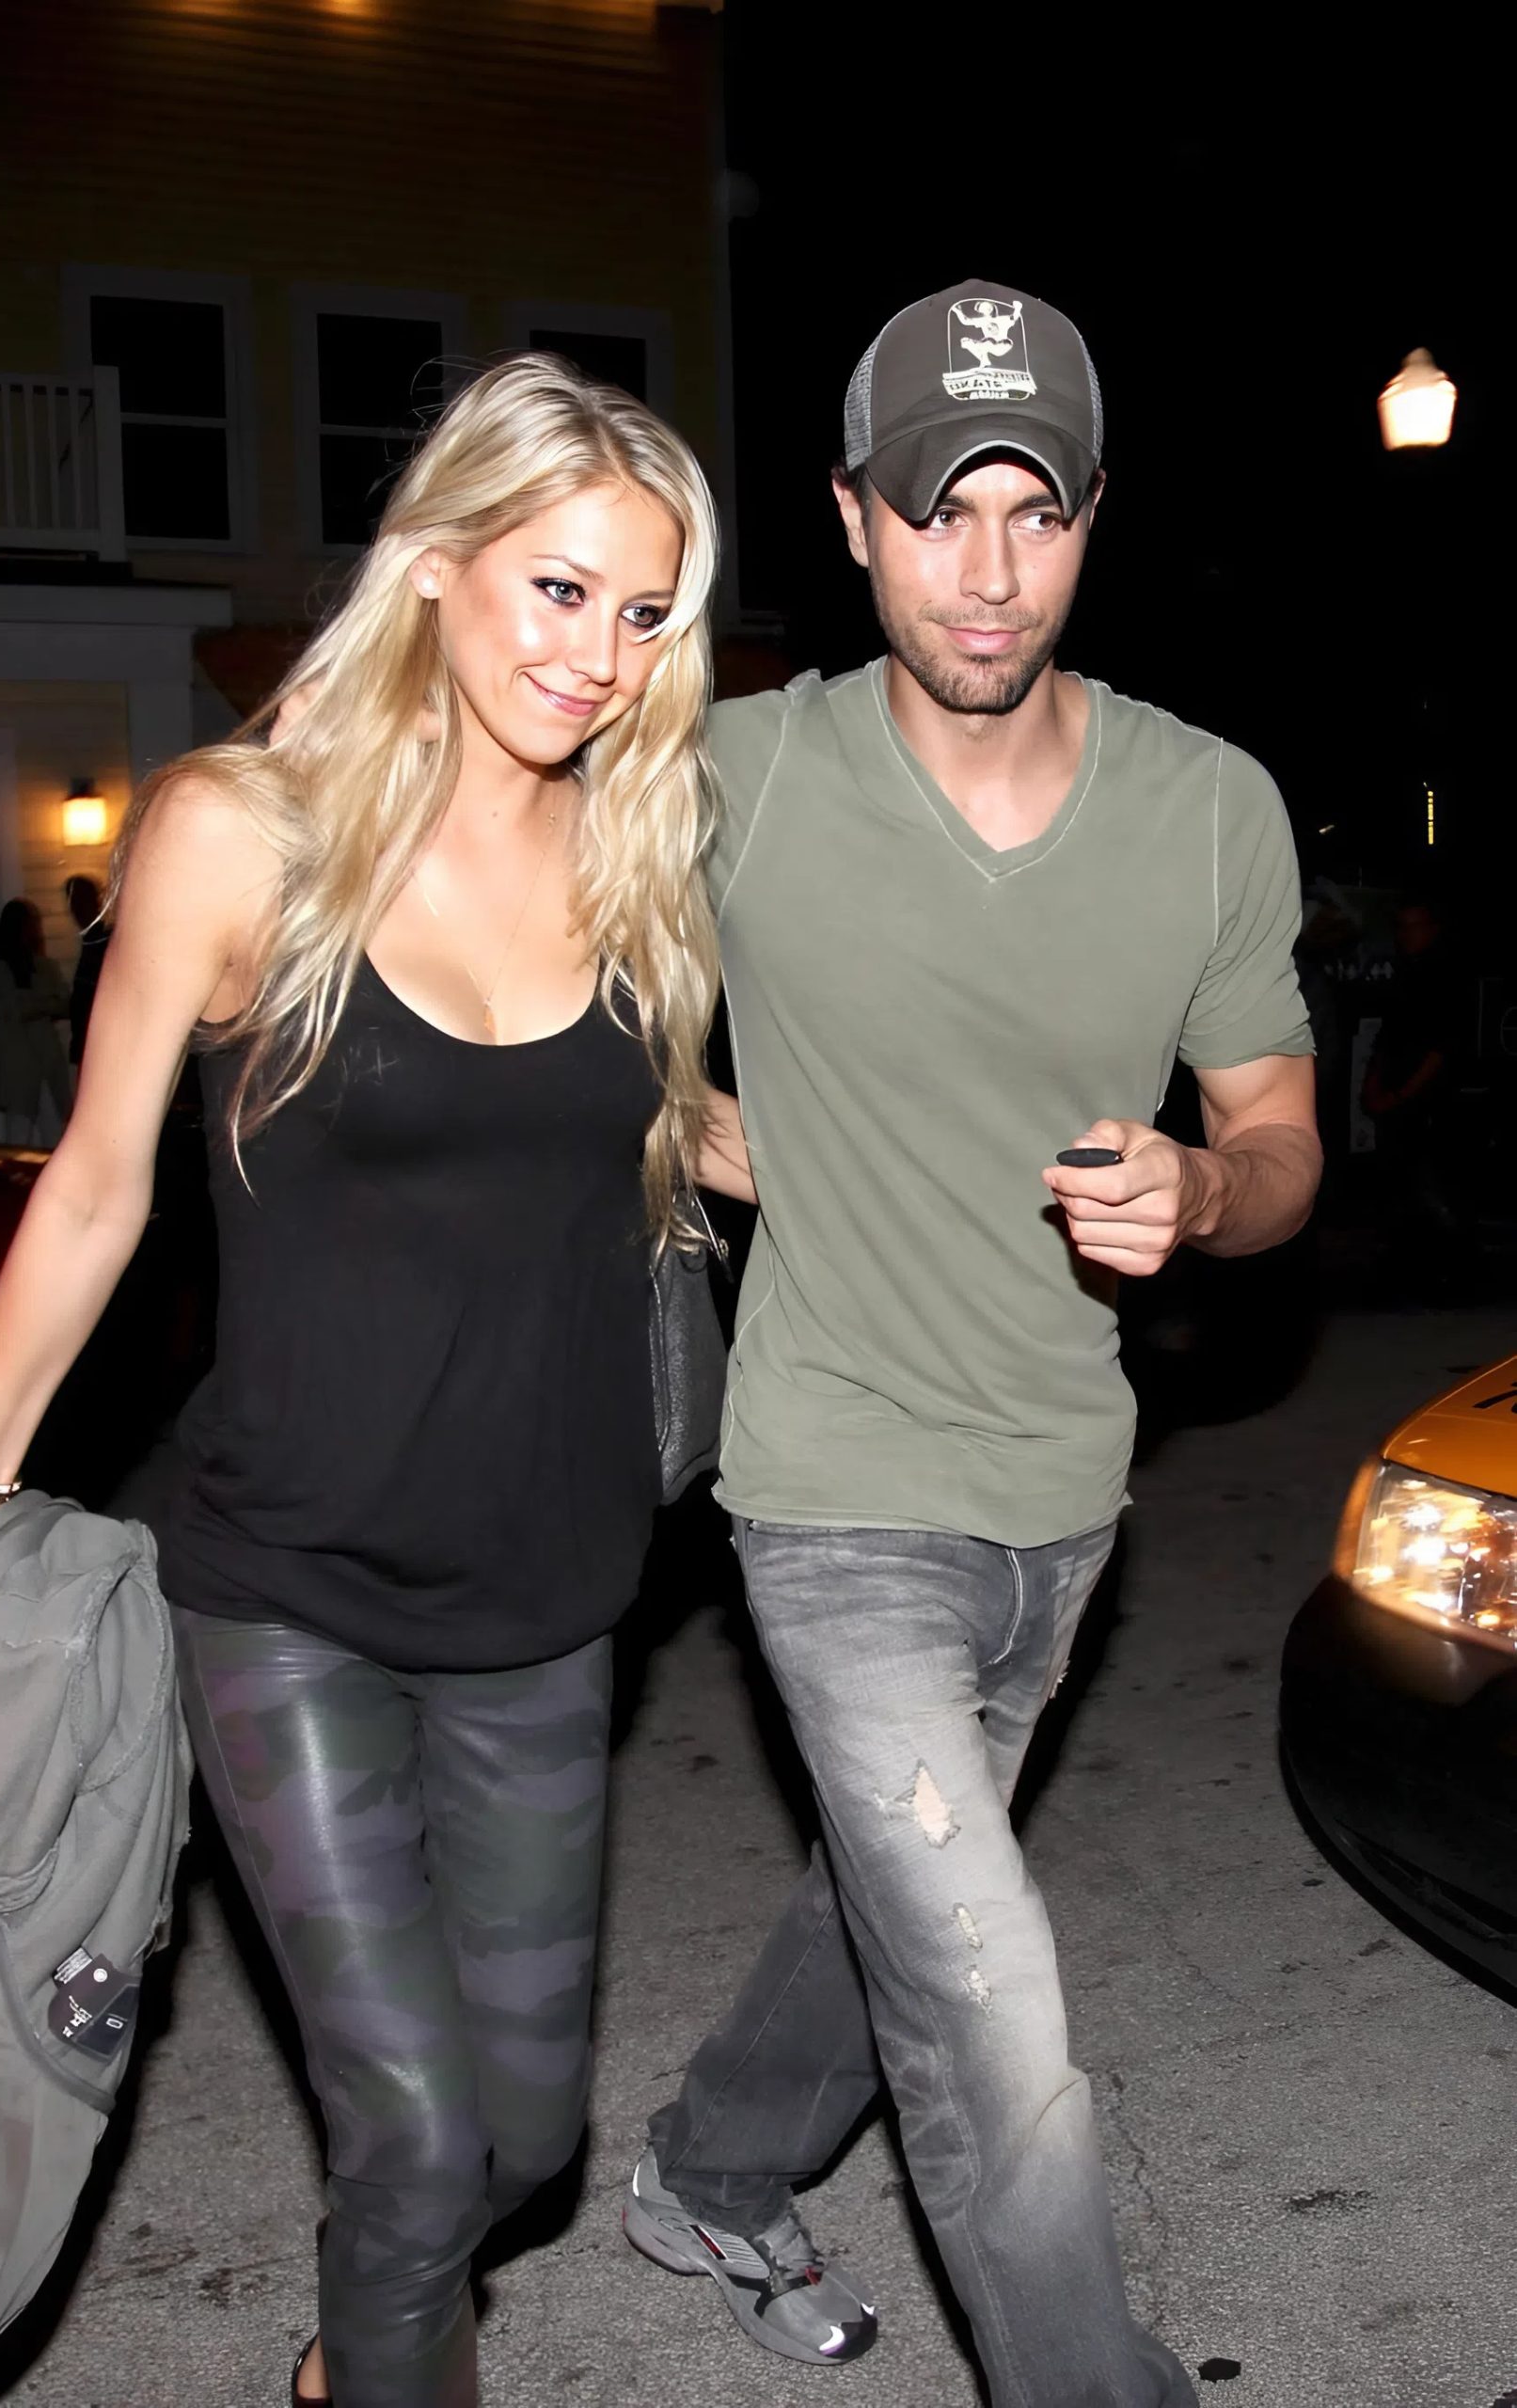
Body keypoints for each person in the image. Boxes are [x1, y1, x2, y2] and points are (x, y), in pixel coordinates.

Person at [0, 355, 753, 2408]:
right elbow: (98, 1181)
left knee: (522, 2141)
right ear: (438, 564)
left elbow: (656, 1134)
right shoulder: (244, 834)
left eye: (643, 613)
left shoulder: (640, 852)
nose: (598, 655)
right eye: (558, 588)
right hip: (285, 1587)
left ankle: (359, 2344)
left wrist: (933, 1164)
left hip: (550, 1596)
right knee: (409, 2146)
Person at [623, 283, 1321, 2406]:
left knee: (896, 1903)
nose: (988, 570)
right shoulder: (733, 775)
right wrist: (683, 1124)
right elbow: (518, 973)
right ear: (852, 521)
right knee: (990, 1994)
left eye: (1035, 510)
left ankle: (708, 2168)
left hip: (1065, 1491)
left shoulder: (1209, 805)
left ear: (1094, 518)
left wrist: (1203, 1190)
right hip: (831, 1479)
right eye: (939, 512)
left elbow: (1281, 1137)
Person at [1362, 894, 1473, 1292]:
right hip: (1398, 1097)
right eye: (1402, 927)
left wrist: (1403, 1095)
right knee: (1400, 1185)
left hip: (1425, 1102)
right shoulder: (1404, 976)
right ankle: (1410, 1266)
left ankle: (1452, 1269)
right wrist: (1375, 1086)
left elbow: (1442, 1049)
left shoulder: (1444, 978)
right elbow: (1387, 1039)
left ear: (1433, 930)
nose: (1408, 935)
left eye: (1416, 926)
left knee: (1432, 1184)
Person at [0, 897, 72, 1145]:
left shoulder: (46, 966)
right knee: (19, 1135)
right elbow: (16, 1009)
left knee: (54, 1134)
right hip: (19, 1064)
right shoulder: (1, 968)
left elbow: (64, 1004)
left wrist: (34, 1001)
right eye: (29, 923)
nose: (34, 929)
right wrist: (44, 1001)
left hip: (48, 1061)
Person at [63, 872, 110, 1076]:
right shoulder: (91, 941)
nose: (75, 909)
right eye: (72, 902)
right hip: (91, 1048)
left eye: (80, 901)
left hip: (101, 1048)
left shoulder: (103, 943)